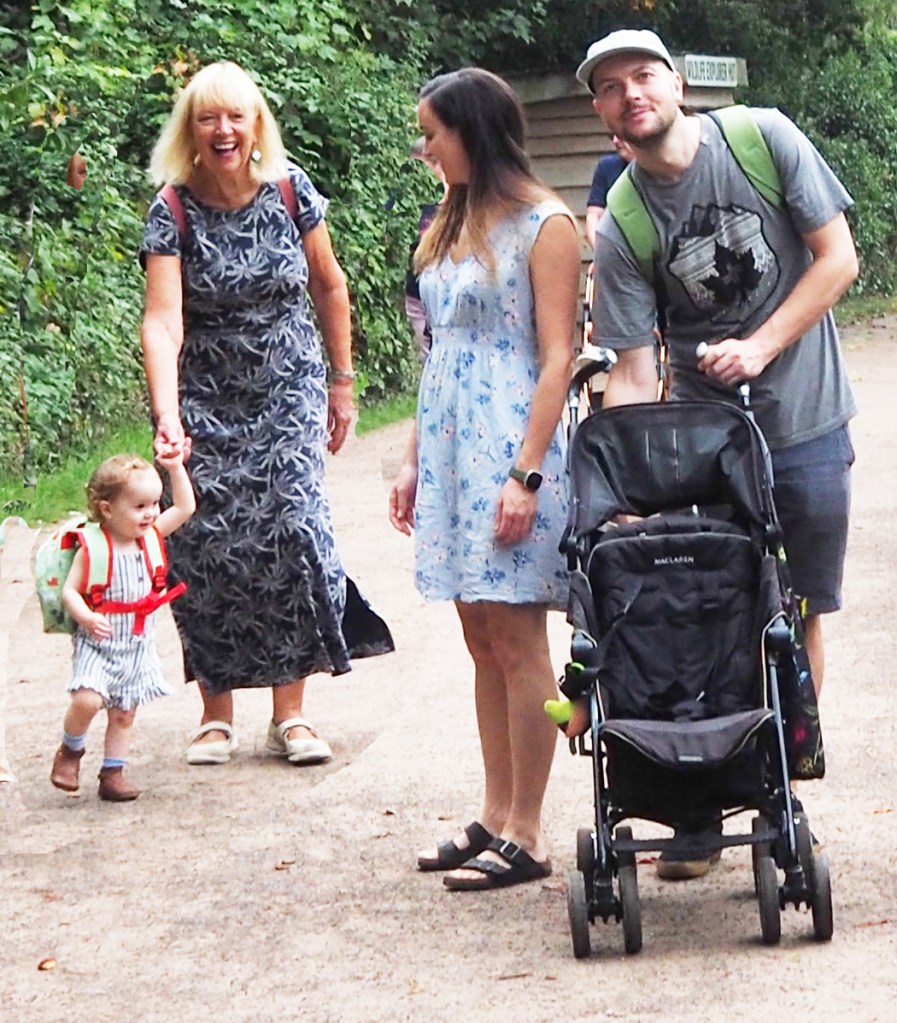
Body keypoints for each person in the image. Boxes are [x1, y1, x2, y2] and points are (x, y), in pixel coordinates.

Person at [576, 29, 858, 879]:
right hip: (707, 449)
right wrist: (625, 490)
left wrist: (762, 344)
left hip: (806, 419)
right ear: (601, 112)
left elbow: (837, 258)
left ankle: (778, 789)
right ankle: (699, 804)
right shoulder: (625, 221)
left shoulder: (761, 138)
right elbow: (632, 371)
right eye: (611, 86)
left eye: (643, 75)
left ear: (676, 84)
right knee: (710, 606)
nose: (631, 93)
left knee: (795, 611)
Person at [139, 61, 393, 769]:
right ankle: (215, 714)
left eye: (236, 116)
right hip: (204, 395)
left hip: (287, 387)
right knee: (205, 541)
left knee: (293, 529)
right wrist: (167, 414)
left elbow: (329, 285)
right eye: (207, 118)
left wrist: (342, 384)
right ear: (190, 131)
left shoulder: (289, 189)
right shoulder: (173, 208)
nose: (223, 130)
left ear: (256, 125)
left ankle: (291, 713)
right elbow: (162, 321)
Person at [389, 68, 580, 891]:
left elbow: (558, 356)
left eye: (433, 133)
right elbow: (436, 350)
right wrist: (412, 458)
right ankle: (496, 813)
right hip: (451, 447)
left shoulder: (546, 223)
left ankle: (529, 831)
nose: (424, 147)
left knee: (517, 635)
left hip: (508, 445)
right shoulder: (450, 220)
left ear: (472, 131)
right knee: (479, 637)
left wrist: (525, 474)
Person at [49, 453, 195, 801]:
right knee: (87, 699)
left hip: (136, 643)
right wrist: (86, 617)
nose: (151, 513)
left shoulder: (151, 537)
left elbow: (185, 507)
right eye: (139, 506)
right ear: (107, 509)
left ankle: (112, 773)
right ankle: (71, 750)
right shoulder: (94, 548)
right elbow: (70, 591)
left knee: (124, 713)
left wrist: (175, 468)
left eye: (154, 504)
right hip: (98, 643)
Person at [404, 137, 447, 359]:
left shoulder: (454, 202)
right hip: (417, 292)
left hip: (445, 291)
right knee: (429, 356)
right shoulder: (408, 202)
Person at [584, 135, 633, 250]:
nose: (615, 140)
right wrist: (600, 252)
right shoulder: (607, 167)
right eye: (613, 135)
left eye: (621, 135)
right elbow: (594, 215)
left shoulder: (660, 168)